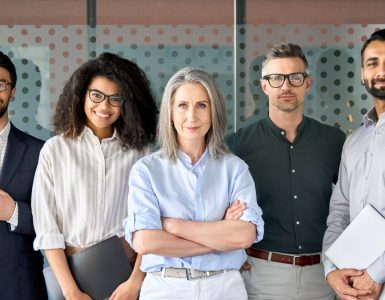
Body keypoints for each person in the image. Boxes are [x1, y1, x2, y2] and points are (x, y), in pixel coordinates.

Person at [124, 67, 264, 300]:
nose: (192, 116)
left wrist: (172, 226)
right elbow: (146, 241)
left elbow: (243, 237)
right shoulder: (146, 171)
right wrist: (219, 237)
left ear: (213, 112)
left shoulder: (235, 169)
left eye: (202, 105)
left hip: (224, 287)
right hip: (165, 288)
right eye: (182, 105)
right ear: (170, 112)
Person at [31, 52, 158, 300]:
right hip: (70, 275)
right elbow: (47, 228)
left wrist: (134, 283)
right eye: (96, 95)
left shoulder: (139, 152)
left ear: (128, 103)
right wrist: (71, 292)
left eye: (115, 99)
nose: (103, 107)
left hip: (127, 272)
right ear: (81, 95)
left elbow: (150, 221)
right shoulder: (55, 150)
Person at [226, 43, 345, 300]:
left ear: (308, 83)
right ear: (264, 86)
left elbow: (350, 205)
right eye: (277, 78)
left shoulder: (334, 142)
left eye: (295, 77)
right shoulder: (237, 146)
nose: (286, 86)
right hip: (260, 273)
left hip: (322, 275)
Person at [322, 28, 385, 300]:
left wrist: (376, 273)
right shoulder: (354, 142)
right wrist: (332, 269)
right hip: (355, 289)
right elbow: (339, 214)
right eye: (373, 63)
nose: (381, 71)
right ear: (362, 73)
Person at [0, 51, 47, 299]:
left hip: (20, 286)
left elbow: (56, 221)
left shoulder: (41, 151)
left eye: (0, 84)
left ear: (13, 91)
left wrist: (14, 212)